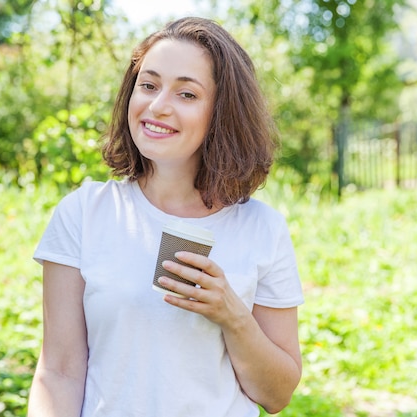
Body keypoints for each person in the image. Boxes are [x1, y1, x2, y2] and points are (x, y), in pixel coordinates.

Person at [28, 16, 304, 417]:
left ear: (222, 113)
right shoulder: (85, 213)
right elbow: (59, 372)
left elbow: (277, 396)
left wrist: (232, 316)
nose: (158, 106)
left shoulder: (262, 229)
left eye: (187, 94)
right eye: (149, 85)